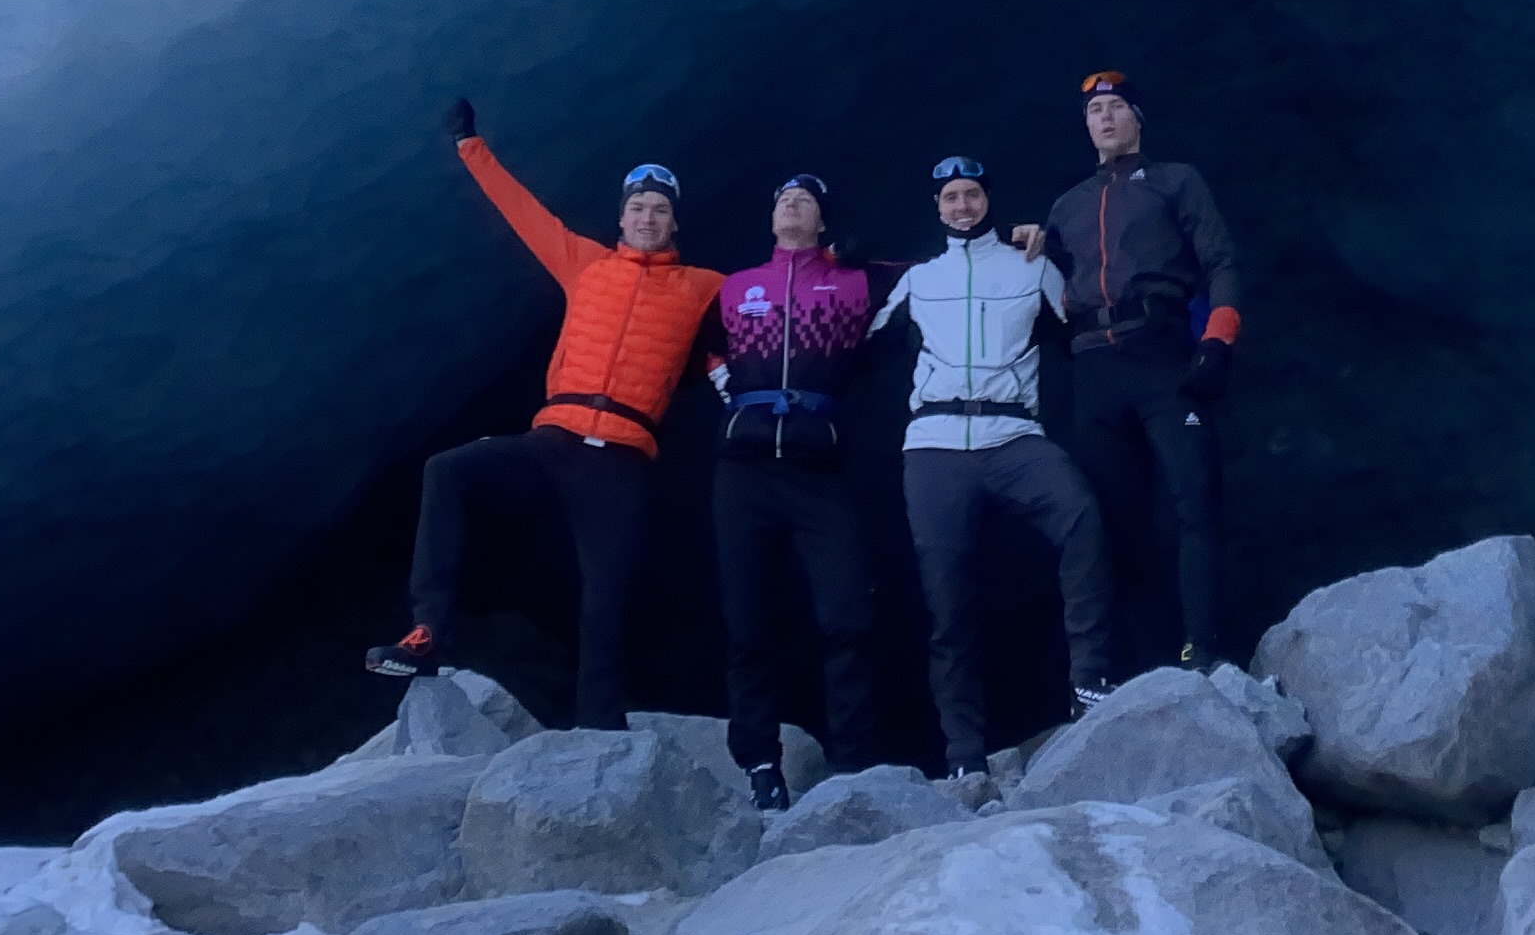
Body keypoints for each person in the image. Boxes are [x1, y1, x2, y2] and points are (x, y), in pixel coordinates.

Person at [371, 100, 719, 729]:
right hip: (551, 441)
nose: (647, 217)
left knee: (607, 591)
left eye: (659, 210)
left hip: (620, 458)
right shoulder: (585, 263)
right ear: (621, 217)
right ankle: (428, 633)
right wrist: (468, 144)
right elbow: (520, 208)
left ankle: (600, 723)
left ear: (674, 223)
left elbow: (772, 300)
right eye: (638, 207)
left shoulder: (702, 288)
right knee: (448, 471)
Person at [879, 153, 1116, 782]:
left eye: (972, 195)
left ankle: (1089, 682)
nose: (962, 206)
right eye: (951, 197)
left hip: (1013, 434)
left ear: (988, 201)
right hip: (932, 445)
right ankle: (963, 754)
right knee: (946, 600)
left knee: (1081, 516)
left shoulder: (1030, 267)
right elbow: (859, 348)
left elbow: (1087, 336)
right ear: (937, 207)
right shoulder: (916, 280)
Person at [1014, 70, 1243, 672]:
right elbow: (1047, 294)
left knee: (1195, 504)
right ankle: (1150, 663)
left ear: (1138, 117)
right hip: (1095, 371)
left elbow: (1220, 262)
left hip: (1161, 356)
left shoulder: (1175, 181)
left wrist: (1216, 343)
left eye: (1116, 107)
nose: (1105, 118)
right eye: (1095, 112)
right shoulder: (1066, 206)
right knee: (1117, 525)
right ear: (1085, 126)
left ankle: (1204, 649)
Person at [705, 174, 886, 807]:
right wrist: (728, 387)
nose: (791, 204)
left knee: (847, 616)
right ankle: (758, 763)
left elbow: (946, 269)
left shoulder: (857, 283)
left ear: (822, 221)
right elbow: (695, 337)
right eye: (783, 197)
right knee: (749, 624)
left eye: (806, 199)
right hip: (745, 470)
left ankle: (854, 763)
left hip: (818, 468)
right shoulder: (734, 286)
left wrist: (1018, 238)